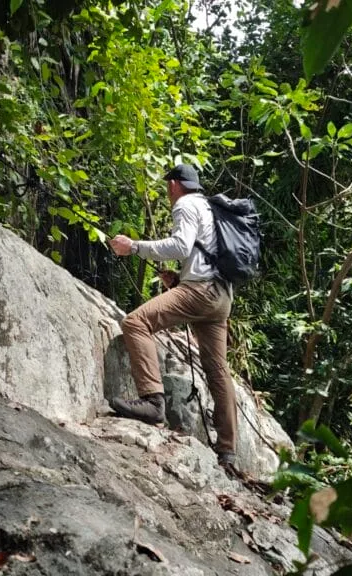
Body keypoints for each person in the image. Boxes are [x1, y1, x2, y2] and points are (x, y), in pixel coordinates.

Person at [108, 164, 237, 468]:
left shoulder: (186, 205)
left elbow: (181, 246)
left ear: (175, 185)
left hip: (201, 292)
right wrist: (179, 281)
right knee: (218, 370)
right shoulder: (212, 209)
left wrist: (134, 247)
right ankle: (228, 451)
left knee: (135, 322)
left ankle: (153, 403)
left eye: (169, 186)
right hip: (221, 298)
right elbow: (205, 255)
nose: (168, 193)